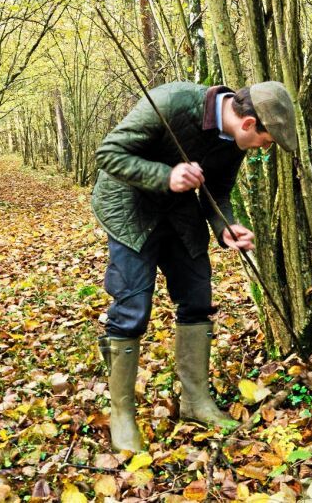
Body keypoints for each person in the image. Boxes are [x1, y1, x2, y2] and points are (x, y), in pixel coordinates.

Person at [90, 80, 297, 452]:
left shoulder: (234, 141)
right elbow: (108, 153)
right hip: (129, 207)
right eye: (267, 141)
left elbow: (216, 192)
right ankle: (122, 414)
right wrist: (165, 176)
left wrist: (225, 227)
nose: (265, 149)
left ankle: (195, 401)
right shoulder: (171, 102)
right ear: (249, 124)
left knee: (197, 296)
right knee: (133, 307)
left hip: (178, 210)